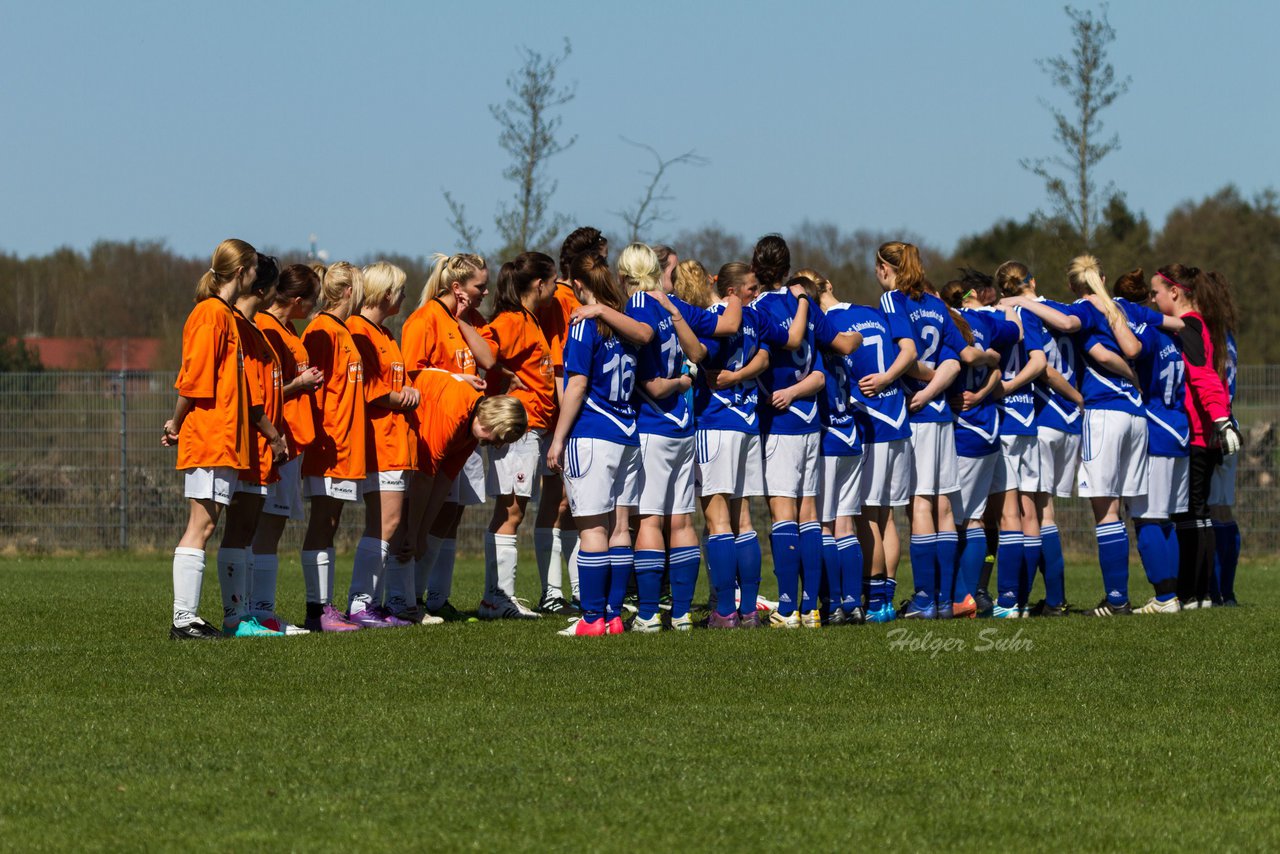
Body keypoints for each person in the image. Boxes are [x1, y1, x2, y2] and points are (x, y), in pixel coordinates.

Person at [1010, 255, 1146, 616]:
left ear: (1073, 285)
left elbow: (1070, 323)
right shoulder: (1119, 308)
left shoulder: (1081, 307)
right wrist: (1134, 378)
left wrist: (1025, 302)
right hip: (1135, 412)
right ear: (1102, 276)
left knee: (1103, 510)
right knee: (1119, 508)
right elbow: (1125, 350)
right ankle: (1137, 595)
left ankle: (1114, 599)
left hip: (1101, 411)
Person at [621, 243, 740, 632]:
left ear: (626, 276)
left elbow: (645, 363)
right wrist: (734, 296)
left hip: (654, 424)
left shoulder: (638, 303)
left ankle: (649, 614)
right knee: (682, 520)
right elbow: (725, 326)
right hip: (683, 425)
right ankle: (683, 613)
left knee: (652, 520)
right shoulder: (672, 304)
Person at [750, 236, 860, 628]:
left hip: (778, 421)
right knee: (809, 514)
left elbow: (772, 350)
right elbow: (839, 346)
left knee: (783, 515)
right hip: (811, 421)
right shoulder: (808, 305)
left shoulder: (757, 309)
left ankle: (786, 608)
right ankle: (811, 608)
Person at [694, 262, 806, 628]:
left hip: (715, 423)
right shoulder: (755, 318)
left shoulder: (715, 316)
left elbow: (701, 355)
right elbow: (773, 352)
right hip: (747, 424)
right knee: (743, 522)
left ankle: (726, 610)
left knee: (718, 520)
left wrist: (726, 373)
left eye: (755, 288)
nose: (755, 294)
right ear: (732, 291)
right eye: (750, 288)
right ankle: (746, 611)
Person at [876, 241, 985, 620]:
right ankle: (943, 599)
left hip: (916, 414)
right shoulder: (937, 304)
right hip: (941, 416)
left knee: (920, 505)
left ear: (885, 267)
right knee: (941, 506)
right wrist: (937, 386)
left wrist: (923, 388)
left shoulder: (893, 301)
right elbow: (956, 360)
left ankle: (925, 599)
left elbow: (906, 359)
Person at [547, 253, 645, 636]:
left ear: (579, 287)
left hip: (592, 433)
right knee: (621, 527)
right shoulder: (627, 326)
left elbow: (577, 385)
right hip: (628, 435)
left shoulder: (584, 324)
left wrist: (558, 438)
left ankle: (591, 619)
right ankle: (614, 615)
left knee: (591, 530)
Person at [163, 238, 257, 640]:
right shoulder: (210, 315)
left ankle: (189, 618)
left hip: (221, 436)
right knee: (200, 526)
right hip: (209, 434)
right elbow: (194, 379)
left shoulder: (224, 314)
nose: (257, 277)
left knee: (206, 524)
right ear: (241, 273)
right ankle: (184, 619)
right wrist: (176, 421)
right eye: (253, 269)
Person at [400, 252, 495, 619]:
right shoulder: (424, 319)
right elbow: (411, 375)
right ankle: (409, 596)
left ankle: (434, 595)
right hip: (434, 429)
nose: (485, 292)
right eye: (479, 286)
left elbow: (487, 359)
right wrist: (456, 380)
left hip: (465, 431)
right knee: (420, 511)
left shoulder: (467, 319)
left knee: (450, 511)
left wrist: (464, 320)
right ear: (457, 287)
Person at [1150, 264, 1241, 608]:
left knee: (1190, 515)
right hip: (1206, 430)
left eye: (1156, 291)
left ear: (1175, 292)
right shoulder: (1197, 326)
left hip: (1201, 432)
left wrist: (1220, 418)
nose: (1153, 298)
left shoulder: (1189, 326)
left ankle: (1193, 593)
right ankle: (1203, 594)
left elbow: (1203, 376)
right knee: (1199, 513)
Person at [478, 252, 559, 619]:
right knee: (510, 511)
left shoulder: (530, 320)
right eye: (553, 280)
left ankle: (498, 597)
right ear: (539, 284)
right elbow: (484, 351)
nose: (556, 287)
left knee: (515, 511)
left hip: (535, 428)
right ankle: (498, 598)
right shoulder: (511, 321)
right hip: (517, 430)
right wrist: (500, 386)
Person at [533, 227, 608, 614]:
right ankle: (553, 590)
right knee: (560, 501)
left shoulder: (569, 298)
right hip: (560, 409)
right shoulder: (564, 300)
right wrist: (567, 418)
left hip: (567, 410)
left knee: (570, 502)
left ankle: (576, 589)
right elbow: (563, 366)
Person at [345, 261, 422, 627]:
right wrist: (399, 396)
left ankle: (381, 602)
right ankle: (361, 602)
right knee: (384, 523)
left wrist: (405, 392)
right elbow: (369, 387)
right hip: (380, 440)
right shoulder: (358, 329)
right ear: (385, 293)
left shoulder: (386, 333)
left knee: (392, 524)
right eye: (400, 290)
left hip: (397, 440)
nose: (404, 297)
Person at [251, 264, 325, 634]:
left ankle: (261, 611)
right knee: (267, 524)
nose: (314, 308)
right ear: (296, 300)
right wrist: (299, 384)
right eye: (312, 301)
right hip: (276, 439)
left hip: (292, 438)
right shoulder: (265, 328)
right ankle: (258, 612)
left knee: (273, 524)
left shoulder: (286, 329)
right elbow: (260, 394)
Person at [219, 253, 290, 637]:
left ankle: (245, 615)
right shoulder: (237, 327)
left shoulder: (255, 328)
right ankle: (235, 619)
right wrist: (273, 434)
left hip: (262, 445)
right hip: (248, 442)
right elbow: (248, 396)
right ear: (261, 289)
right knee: (239, 528)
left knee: (246, 531)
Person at [940, 279, 1020, 618]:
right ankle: (967, 596)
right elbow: (1012, 335)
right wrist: (1009, 306)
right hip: (988, 428)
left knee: (958, 521)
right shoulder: (986, 321)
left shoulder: (948, 323)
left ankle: (961, 597)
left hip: (964, 432)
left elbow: (952, 367)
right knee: (973, 519)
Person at [1113, 268, 1189, 614]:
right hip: (1179, 428)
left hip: (1157, 428)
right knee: (1165, 518)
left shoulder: (1150, 333)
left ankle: (1164, 597)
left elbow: (1132, 347)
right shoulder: (1174, 335)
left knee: (1146, 517)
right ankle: (1172, 593)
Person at [299, 262, 367, 632]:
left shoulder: (342, 330)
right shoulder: (321, 329)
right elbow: (315, 394)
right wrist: (322, 436)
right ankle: (316, 609)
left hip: (347, 443)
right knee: (322, 523)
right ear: (346, 292)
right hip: (330, 443)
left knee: (332, 522)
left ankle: (325, 606)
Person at [989, 262, 1050, 618]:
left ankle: (1008, 600)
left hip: (1006, 419)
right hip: (1028, 420)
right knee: (1029, 512)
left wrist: (1007, 386)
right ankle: (1023, 598)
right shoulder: (1031, 314)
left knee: (1006, 513)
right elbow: (1039, 361)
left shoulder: (996, 315)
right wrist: (1020, 386)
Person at [811, 272, 871, 625]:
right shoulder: (841, 332)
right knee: (846, 525)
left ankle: (833, 603)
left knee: (826, 526)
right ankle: (854, 602)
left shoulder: (817, 333)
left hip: (829, 437)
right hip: (850, 435)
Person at [1208, 284, 1241, 606]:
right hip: (1232, 424)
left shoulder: (1212, 339)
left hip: (1215, 429)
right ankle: (1225, 592)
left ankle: (1216, 591)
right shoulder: (1229, 337)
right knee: (1223, 509)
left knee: (1208, 510)